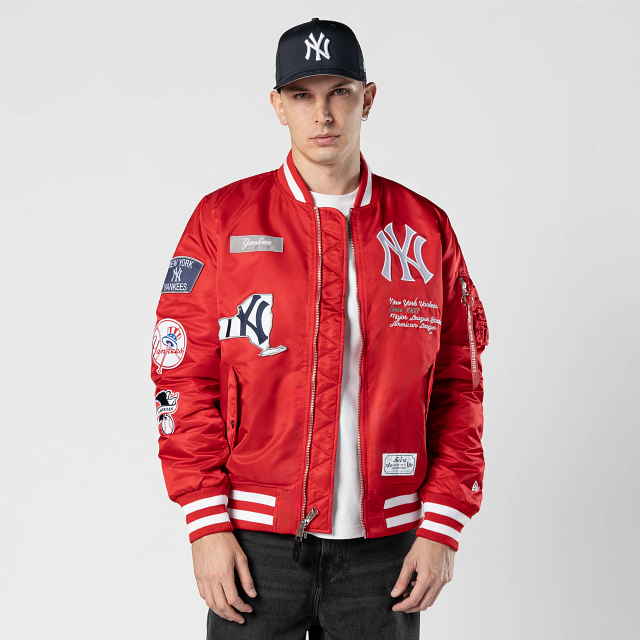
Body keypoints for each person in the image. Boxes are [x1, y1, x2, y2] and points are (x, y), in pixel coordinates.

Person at [150, 17, 489, 640]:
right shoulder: (222, 220)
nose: (323, 114)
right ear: (278, 105)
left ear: (369, 98)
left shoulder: (423, 228)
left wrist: (443, 523)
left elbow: (458, 385)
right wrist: (205, 522)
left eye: (340, 92)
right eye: (303, 95)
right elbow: (182, 378)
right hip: (253, 544)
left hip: (387, 550)